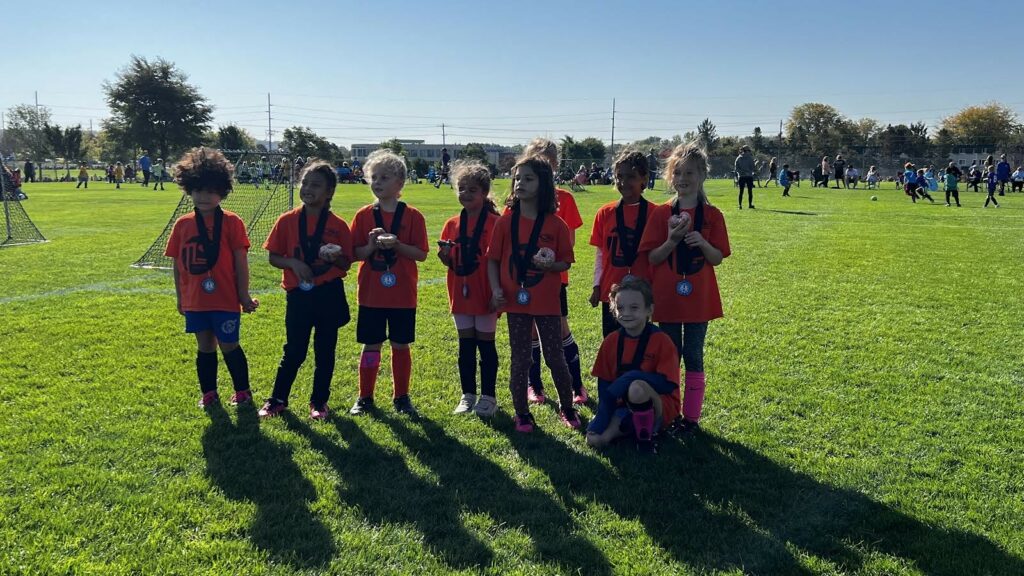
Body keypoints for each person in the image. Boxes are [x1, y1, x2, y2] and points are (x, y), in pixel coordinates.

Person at [638, 143, 730, 435]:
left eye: (690, 172)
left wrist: (702, 243)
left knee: (693, 354)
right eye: (677, 172)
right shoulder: (661, 213)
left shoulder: (712, 215)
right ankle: (670, 413)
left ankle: (691, 419)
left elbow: (717, 258)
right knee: (669, 355)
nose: (683, 178)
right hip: (668, 296)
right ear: (669, 177)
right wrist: (672, 240)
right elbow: (652, 258)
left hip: (698, 299)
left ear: (702, 174)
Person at [486, 156, 579, 432]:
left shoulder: (556, 225)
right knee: (520, 357)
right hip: (516, 303)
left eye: (528, 178)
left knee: (554, 356)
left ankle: (567, 406)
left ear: (544, 185)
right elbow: (492, 260)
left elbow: (565, 262)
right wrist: (496, 289)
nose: (519, 183)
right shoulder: (505, 223)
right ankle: (522, 413)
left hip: (547, 303)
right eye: (517, 178)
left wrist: (552, 265)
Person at [258, 160, 353, 420]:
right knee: (295, 350)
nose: (308, 188)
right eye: (305, 183)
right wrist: (292, 262)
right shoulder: (287, 220)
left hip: (329, 292)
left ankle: (319, 402)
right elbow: (274, 257)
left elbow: (348, 263)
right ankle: (277, 399)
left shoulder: (338, 225)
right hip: (298, 294)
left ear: (329, 192)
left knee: (325, 350)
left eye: (316, 185)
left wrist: (336, 258)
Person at [164, 147, 258, 409]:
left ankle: (242, 391)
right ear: (188, 188)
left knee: (229, 344)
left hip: (225, 298)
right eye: (198, 190)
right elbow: (177, 264)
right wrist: (181, 297)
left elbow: (241, 261)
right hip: (196, 300)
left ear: (223, 190)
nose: (203, 196)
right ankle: (209, 393)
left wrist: (243, 295)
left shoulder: (232, 222)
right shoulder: (182, 224)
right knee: (205, 345)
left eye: (211, 190)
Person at [349, 149, 429, 417]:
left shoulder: (413, 216)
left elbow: (421, 254)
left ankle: (402, 396)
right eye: (374, 177)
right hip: (371, 294)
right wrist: (371, 245)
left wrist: (398, 244)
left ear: (400, 183)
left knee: (400, 344)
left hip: (403, 294)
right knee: (371, 344)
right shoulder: (363, 216)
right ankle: (365, 397)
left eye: (385, 177)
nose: (378, 182)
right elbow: (355, 254)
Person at [517, 138, 587, 406]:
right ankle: (534, 386)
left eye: (548, 159)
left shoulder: (564, 198)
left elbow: (568, 243)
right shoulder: (518, 199)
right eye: (537, 157)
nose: (543, 163)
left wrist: (547, 256)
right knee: (531, 332)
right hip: (525, 279)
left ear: (555, 165)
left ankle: (576, 385)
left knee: (559, 329)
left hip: (554, 278)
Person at [586, 278, 681, 454]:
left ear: (649, 310)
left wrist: (632, 377)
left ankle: (646, 439)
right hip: (624, 403)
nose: (626, 313)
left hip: (660, 403)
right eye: (620, 308)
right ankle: (617, 431)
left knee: (637, 388)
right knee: (594, 439)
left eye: (634, 308)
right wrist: (602, 416)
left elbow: (667, 384)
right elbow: (605, 384)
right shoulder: (611, 341)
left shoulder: (662, 341)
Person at [437, 160, 501, 416]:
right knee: (465, 346)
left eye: (471, 190)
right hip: (459, 291)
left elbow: (501, 261)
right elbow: (448, 260)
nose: (464, 194)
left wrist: (498, 293)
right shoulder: (452, 223)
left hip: (485, 293)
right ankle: (467, 395)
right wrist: (445, 257)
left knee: (486, 346)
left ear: (484, 193)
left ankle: (489, 397)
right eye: (461, 188)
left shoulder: (496, 223)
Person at [589, 149, 655, 337]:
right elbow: (601, 255)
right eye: (619, 176)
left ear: (644, 179)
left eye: (631, 177)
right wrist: (596, 286)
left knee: (640, 343)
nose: (623, 182)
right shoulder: (605, 212)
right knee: (612, 341)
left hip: (643, 291)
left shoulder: (655, 213)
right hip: (611, 289)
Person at [734, 145, 756, 209]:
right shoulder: (750, 158)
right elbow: (753, 168)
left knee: (741, 191)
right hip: (749, 176)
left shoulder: (738, 158)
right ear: (747, 151)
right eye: (749, 150)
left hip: (741, 176)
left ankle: (740, 205)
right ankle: (750, 205)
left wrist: (741, 172)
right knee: (750, 191)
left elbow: (736, 168)